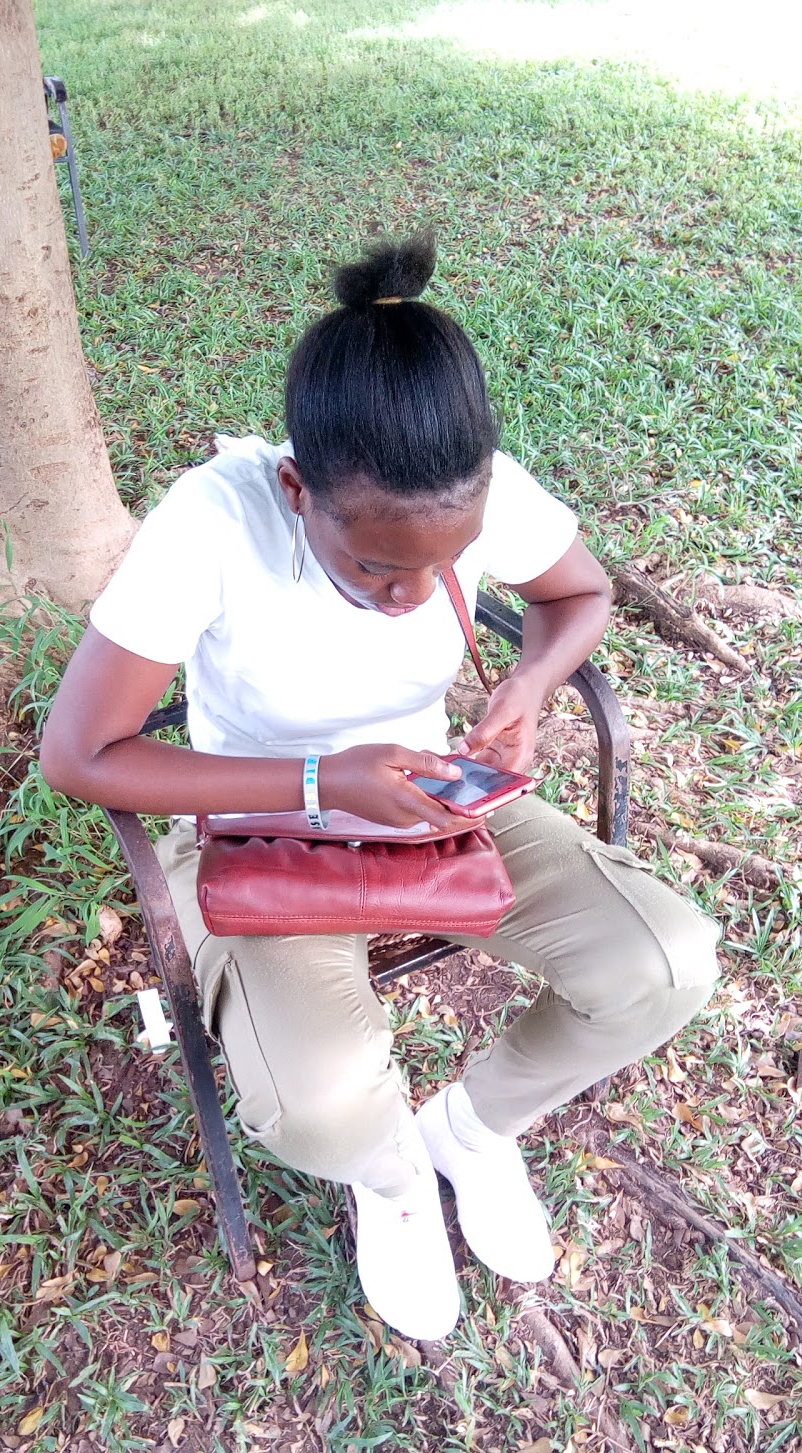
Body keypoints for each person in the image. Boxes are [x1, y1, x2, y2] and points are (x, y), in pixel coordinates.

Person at [40, 234, 720, 1341]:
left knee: (663, 963)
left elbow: (580, 593)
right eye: (373, 566)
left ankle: (471, 1131)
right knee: (317, 1108)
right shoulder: (214, 521)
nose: (413, 595)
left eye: (443, 563)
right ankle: (393, 1177)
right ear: (297, 488)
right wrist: (324, 778)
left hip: (438, 803)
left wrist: (528, 685)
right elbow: (79, 754)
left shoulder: (469, 486)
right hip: (258, 829)